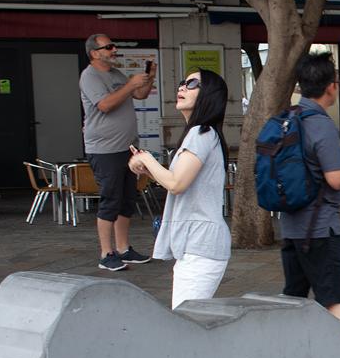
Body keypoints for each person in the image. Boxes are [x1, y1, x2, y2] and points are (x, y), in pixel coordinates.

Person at [128, 70, 230, 309]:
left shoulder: (201, 133)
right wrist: (149, 170)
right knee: (189, 321)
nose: (182, 87)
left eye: (192, 83)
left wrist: (147, 158)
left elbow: (176, 184)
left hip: (201, 246)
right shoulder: (200, 134)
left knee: (186, 322)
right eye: (183, 83)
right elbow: (180, 181)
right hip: (196, 245)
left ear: (209, 95)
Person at [279, 53, 340, 327]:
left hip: (290, 228)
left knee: (293, 299)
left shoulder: (288, 118)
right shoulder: (321, 124)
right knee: (336, 300)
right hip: (321, 230)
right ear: (331, 86)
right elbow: (335, 179)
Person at [79, 33, 155, 271]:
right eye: (109, 47)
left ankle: (124, 248)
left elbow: (139, 95)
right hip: (104, 149)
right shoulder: (89, 76)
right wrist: (131, 83)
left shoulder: (115, 74)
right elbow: (105, 105)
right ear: (94, 52)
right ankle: (106, 253)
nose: (114, 49)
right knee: (110, 200)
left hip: (127, 148)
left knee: (127, 200)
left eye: (113, 46)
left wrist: (149, 79)